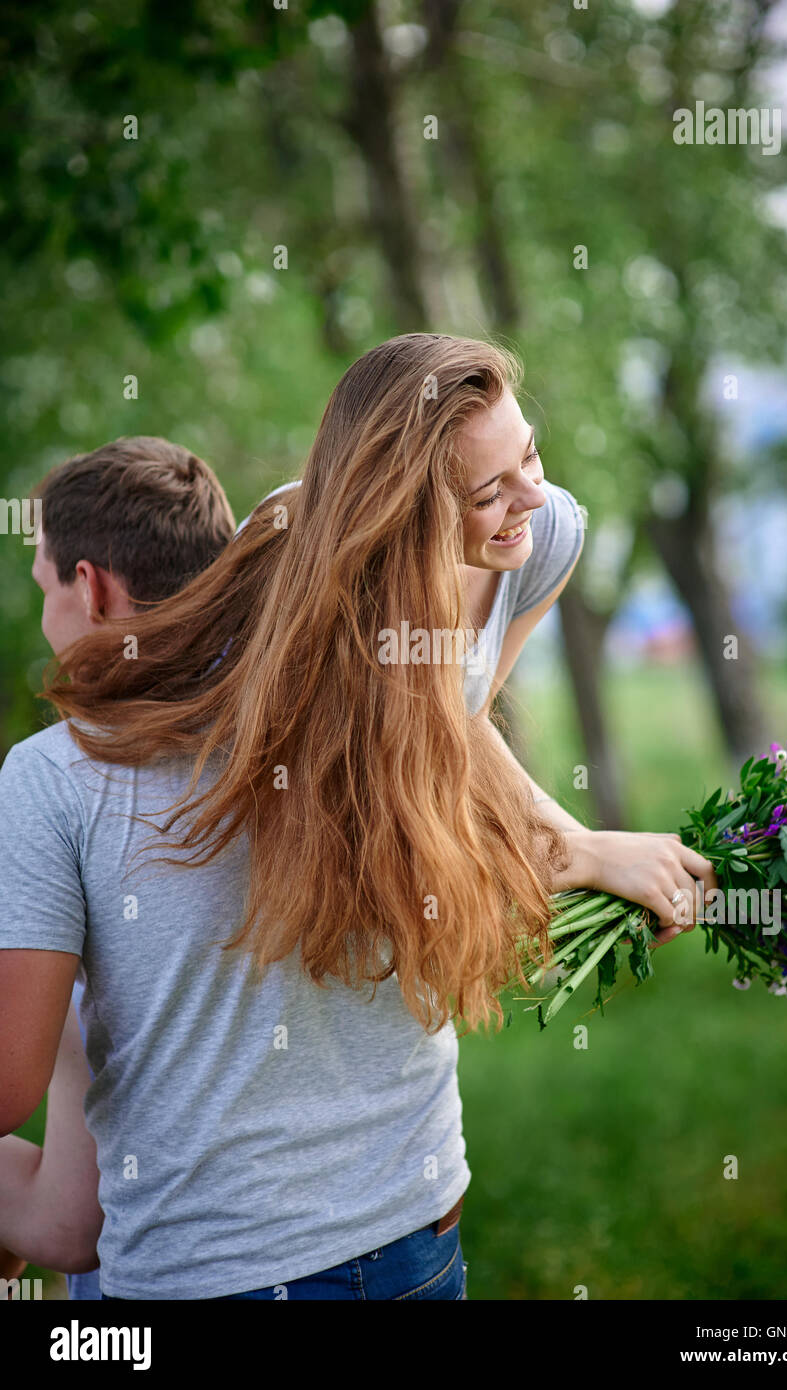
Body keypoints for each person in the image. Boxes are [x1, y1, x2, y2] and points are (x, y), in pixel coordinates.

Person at [0, 335, 716, 1300]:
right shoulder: (294, 573)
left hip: (400, 1225)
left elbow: (449, 730)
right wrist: (574, 848)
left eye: (531, 458)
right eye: (487, 491)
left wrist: (575, 846)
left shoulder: (542, 537)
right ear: (400, 502)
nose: (529, 498)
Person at [0, 436, 235, 1299]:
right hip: (394, 1239)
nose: (46, 622)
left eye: (46, 591)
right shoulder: (304, 733)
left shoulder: (51, 776)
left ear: (91, 587)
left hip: (173, 1272)